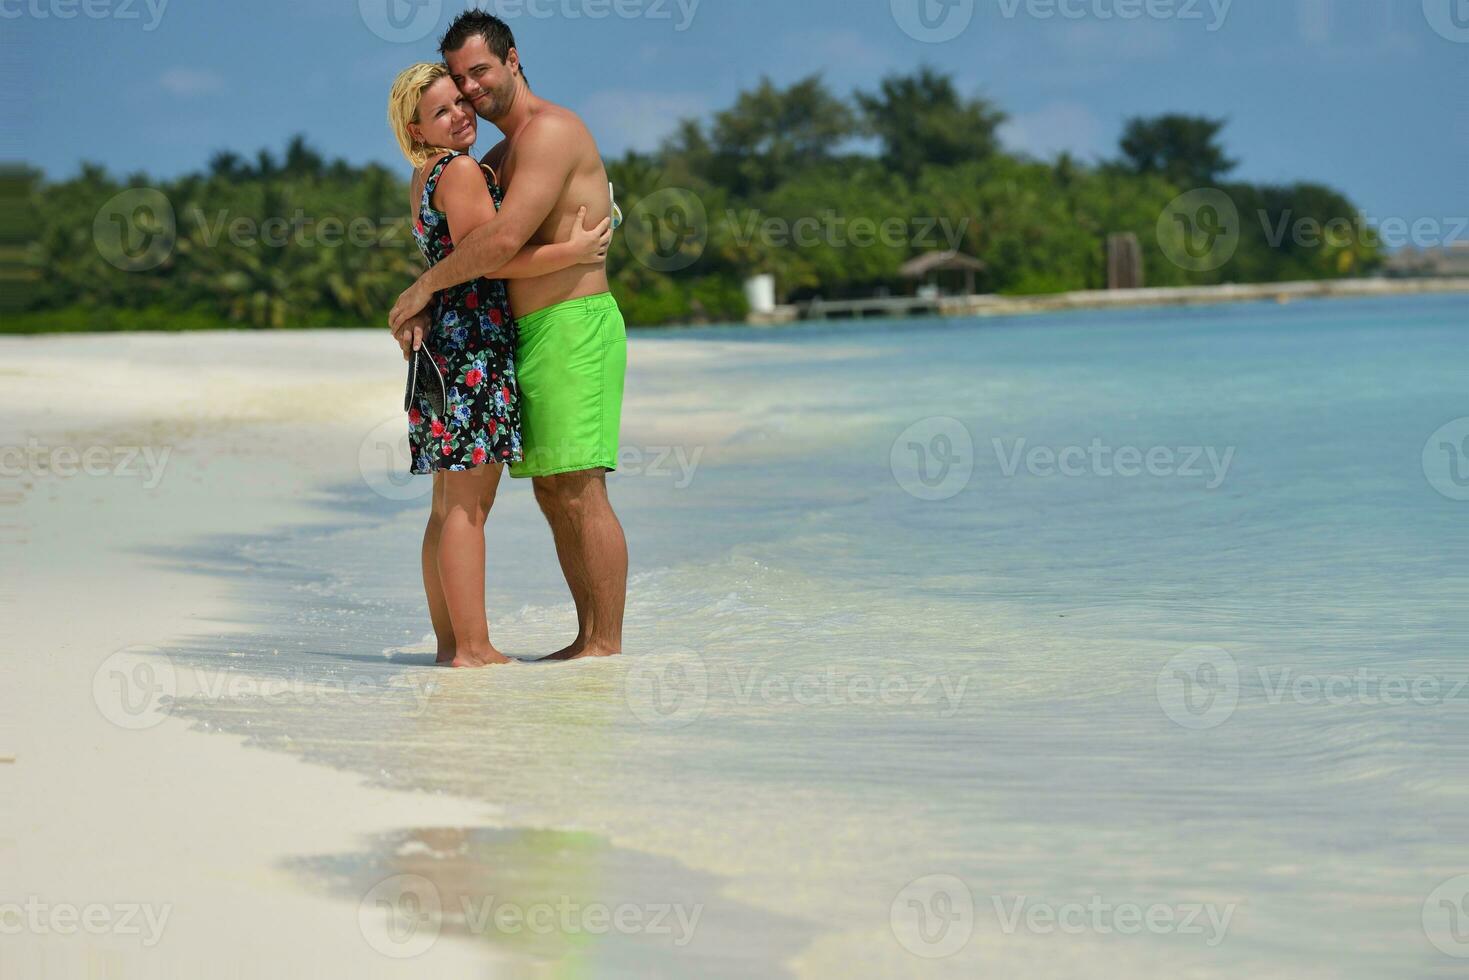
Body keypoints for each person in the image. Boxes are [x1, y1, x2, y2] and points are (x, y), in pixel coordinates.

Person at [389, 13, 630, 662]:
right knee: (554, 490)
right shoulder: (492, 157)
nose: (470, 89)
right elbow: (465, 244)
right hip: (520, 335)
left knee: (579, 485)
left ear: (513, 59)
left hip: (572, 325)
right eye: (459, 80)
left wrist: (420, 291)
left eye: (479, 71)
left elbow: (496, 245)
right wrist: (431, 292)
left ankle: (603, 645)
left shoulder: (551, 131)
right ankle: (585, 641)